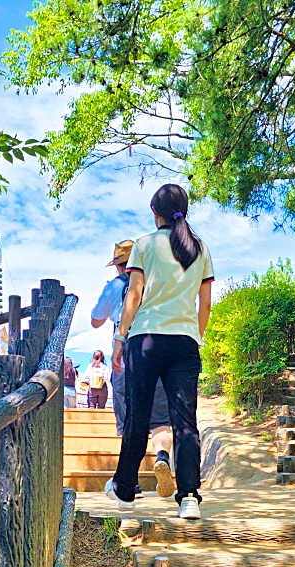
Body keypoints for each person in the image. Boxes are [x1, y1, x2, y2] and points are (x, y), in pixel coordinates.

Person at [107, 183, 214, 520]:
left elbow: (134, 295)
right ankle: (189, 497)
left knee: (139, 415)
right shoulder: (200, 248)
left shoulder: (144, 245)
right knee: (184, 422)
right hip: (184, 341)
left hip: (146, 339)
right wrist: (195, 335)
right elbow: (205, 303)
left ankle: (125, 491)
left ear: (155, 214)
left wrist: (119, 338)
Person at [91, 239, 177, 497]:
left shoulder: (114, 286)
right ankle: (162, 456)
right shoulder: (156, 284)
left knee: (132, 420)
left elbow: (95, 321)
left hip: (127, 353)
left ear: (118, 266)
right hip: (157, 348)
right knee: (161, 420)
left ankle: (132, 482)